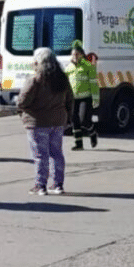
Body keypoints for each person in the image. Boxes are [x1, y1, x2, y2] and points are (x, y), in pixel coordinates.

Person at [17, 47, 74, 195]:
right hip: (58, 122)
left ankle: (40, 185)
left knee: (40, 155)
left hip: (38, 123)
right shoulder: (63, 79)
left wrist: (22, 111)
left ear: (37, 62)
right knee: (57, 153)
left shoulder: (35, 80)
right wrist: (67, 117)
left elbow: (22, 101)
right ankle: (58, 184)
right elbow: (70, 100)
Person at [65, 41, 99, 150]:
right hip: (73, 98)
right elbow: (65, 83)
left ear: (81, 55)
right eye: (73, 54)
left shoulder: (88, 66)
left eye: (77, 54)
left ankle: (92, 133)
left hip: (85, 98)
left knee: (83, 120)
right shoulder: (69, 68)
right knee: (74, 121)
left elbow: (94, 83)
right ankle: (79, 144)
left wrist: (95, 98)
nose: (75, 56)